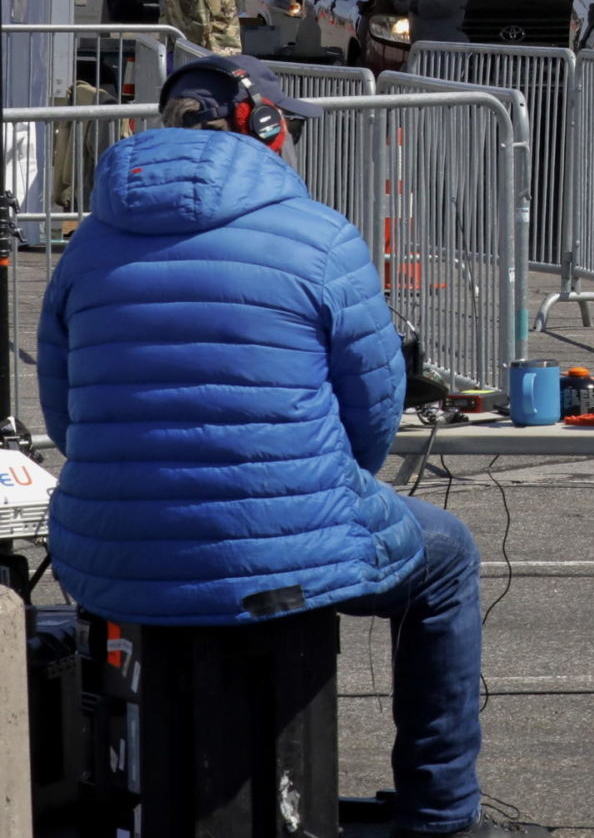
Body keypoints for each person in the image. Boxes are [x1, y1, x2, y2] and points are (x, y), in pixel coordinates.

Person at [37, 55, 540, 838]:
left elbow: (66, 422)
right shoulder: (319, 236)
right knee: (450, 560)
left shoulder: (86, 244)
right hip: (275, 558)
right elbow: (372, 424)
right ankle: (441, 813)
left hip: (114, 555)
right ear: (265, 129)